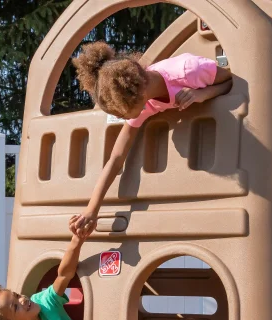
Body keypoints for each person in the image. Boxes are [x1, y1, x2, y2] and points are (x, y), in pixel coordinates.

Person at [70, 42, 233, 237]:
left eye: (121, 114)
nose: (123, 119)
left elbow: (232, 80)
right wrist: (92, 209)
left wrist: (202, 94)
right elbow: (116, 157)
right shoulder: (142, 99)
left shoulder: (189, 71)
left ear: (139, 96)